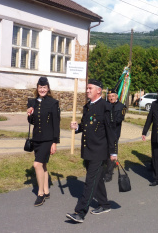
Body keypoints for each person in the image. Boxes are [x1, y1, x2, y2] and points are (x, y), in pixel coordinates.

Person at [66, 79, 117, 223]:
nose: (87, 90)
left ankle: (80, 213)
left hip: (99, 151)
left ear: (98, 90)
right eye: (87, 88)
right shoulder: (88, 106)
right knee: (97, 178)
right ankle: (104, 204)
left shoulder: (106, 107)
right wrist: (77, 127)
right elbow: (86, 125)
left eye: (90, 88)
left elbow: (111, 131)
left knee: (89, 181)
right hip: (88, 149)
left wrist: (113, 152)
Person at [27, 76, 60, 207]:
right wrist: (29, 114)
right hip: (37, 139)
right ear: (37, 88)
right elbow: (32, 122)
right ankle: (46, 190)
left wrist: (55, 142)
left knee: (37, 165)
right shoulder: (32, 102)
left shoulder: (53, 103)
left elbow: (56, 124)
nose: (42, 90)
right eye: (40, 87)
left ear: (48, 88)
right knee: (43, 165)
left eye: (44, 87)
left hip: (48, 139)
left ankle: (40, 194)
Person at [104, 88, 126, 182]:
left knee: (112, 152)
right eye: (109, 97)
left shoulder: (122, 106)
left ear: (116, 96)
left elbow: (118, 119)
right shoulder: (105, 105)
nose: (111, 98)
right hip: (104, 132)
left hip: (114, 133)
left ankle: (109, 173)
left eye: (113, 96)